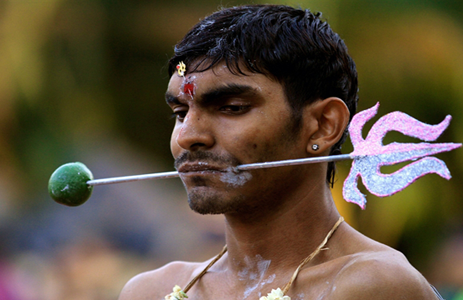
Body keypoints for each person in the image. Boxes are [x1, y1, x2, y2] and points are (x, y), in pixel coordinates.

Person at [119, 5, 443, 300]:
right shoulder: (150, 291)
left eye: (232, 108)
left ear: (322, 125)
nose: (188, 137)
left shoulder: (374, 285)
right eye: (180, 112)